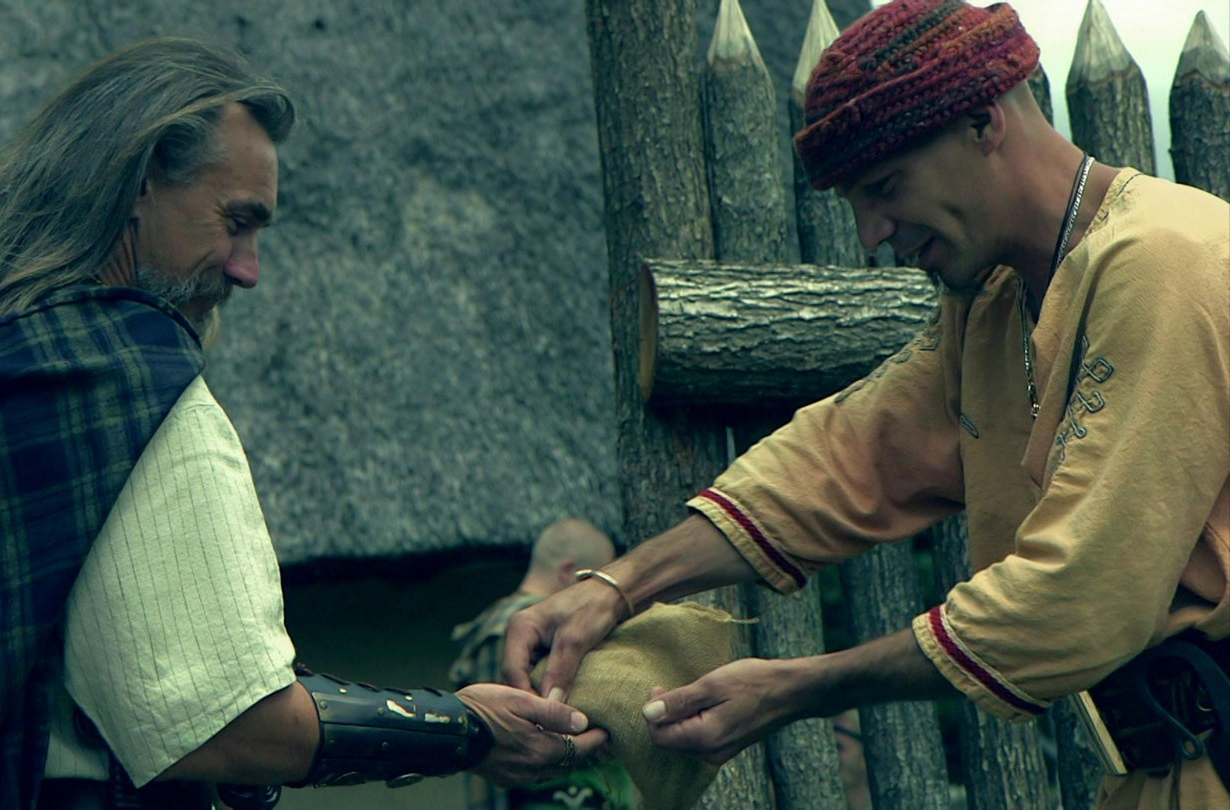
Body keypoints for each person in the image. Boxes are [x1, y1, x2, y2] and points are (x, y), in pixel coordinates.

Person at [0, 37, 606, 809]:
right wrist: (464, 729)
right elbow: (221, 722)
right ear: (137, 184)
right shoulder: (117, 380)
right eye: (235, 221)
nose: (248, 270)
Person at [502, 1, 1229, 808]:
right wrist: (618, 584)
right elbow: (847, 456)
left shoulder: (1164, 263)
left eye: (884, 187)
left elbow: (1079, 597)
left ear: (983, 123)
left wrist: (797, 688)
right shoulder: (995, 303)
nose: (872, 234)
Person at [449, 518, 635, 810]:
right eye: (596, 584)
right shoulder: (519, 632)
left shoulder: (496, 627)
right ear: (569, 572)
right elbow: (496, 745)